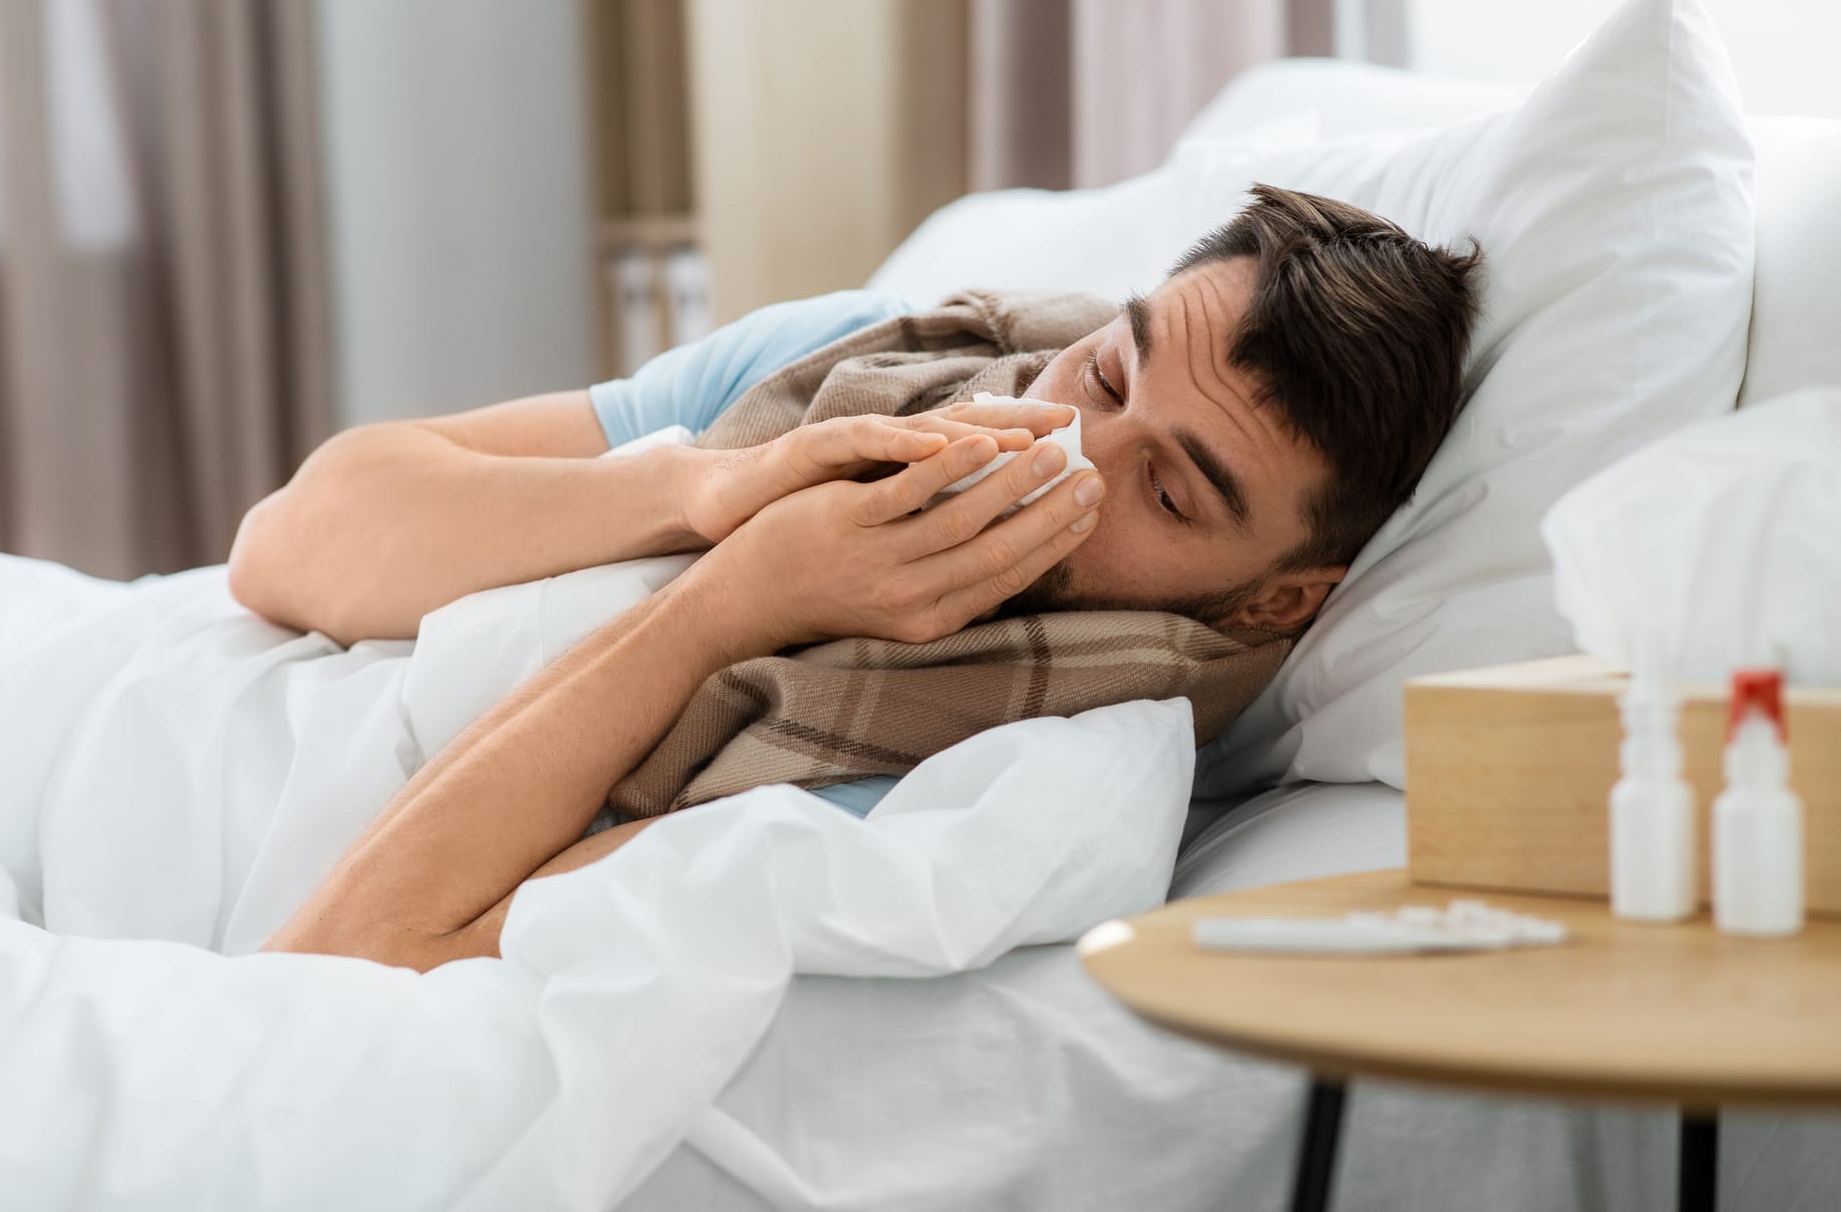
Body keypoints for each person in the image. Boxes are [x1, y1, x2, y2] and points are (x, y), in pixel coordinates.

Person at [244, 186, 1480, 969]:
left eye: (1166, 491)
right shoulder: (879, 362)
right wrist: (696, 493)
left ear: (1275, 601)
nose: (1065, 451)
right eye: (1106, 375)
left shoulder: (988, 775)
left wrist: (733, 600)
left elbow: (352, 955)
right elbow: (287, 542)